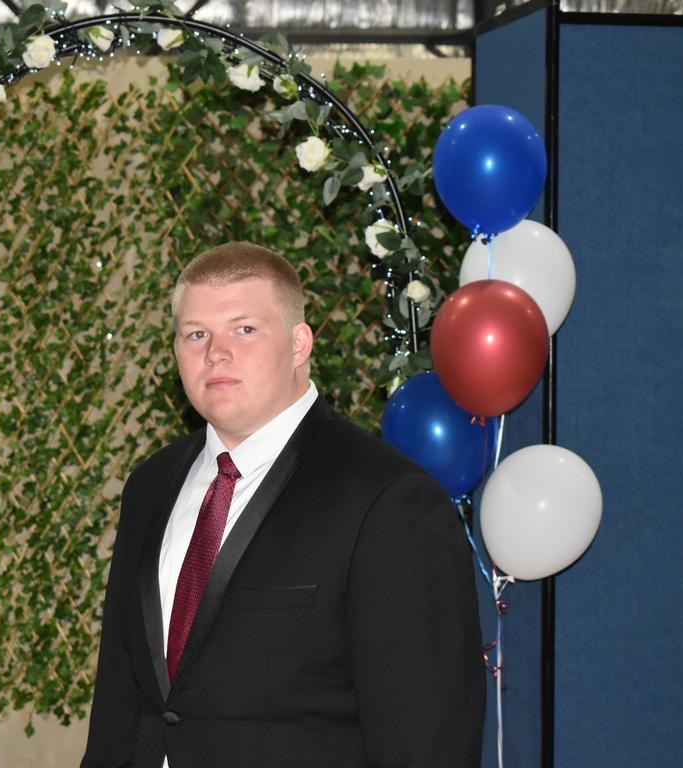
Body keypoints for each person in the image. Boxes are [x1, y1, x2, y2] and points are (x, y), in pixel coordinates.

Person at [81, 242, 484, 768]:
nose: (215, 353)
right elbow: (121, 698)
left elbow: (428, 743)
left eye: (244, 329)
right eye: (195, 334)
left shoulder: (388, 502)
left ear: (299, 344)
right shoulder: (150, 487)